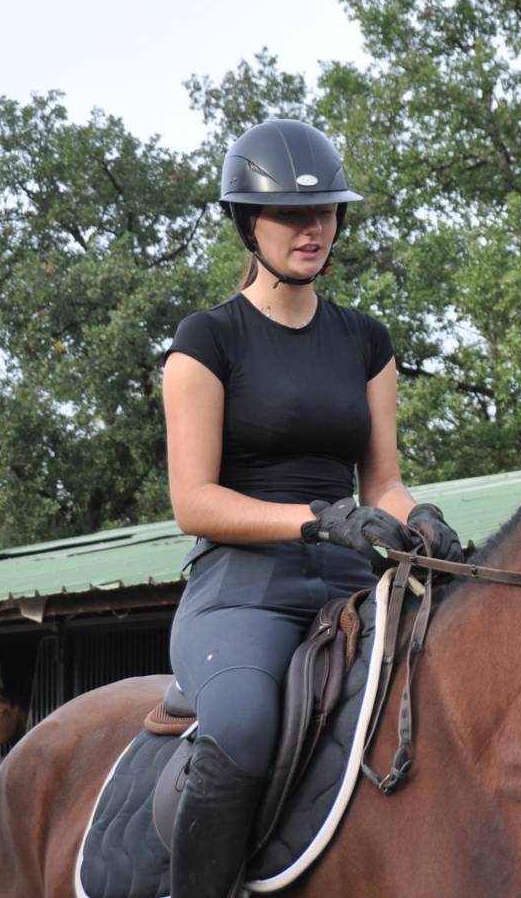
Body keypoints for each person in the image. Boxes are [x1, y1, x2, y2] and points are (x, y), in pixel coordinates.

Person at [161, 118, 463, 898]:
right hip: (241, 589)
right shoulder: (207, 341)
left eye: (326, 211)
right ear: (246, 222)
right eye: (295, 214)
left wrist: (418, 516)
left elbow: (382, 482)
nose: (314, 227)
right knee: (245, 727)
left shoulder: (364, 340)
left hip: (349, 586)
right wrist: (312, 517)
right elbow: (192, 500)